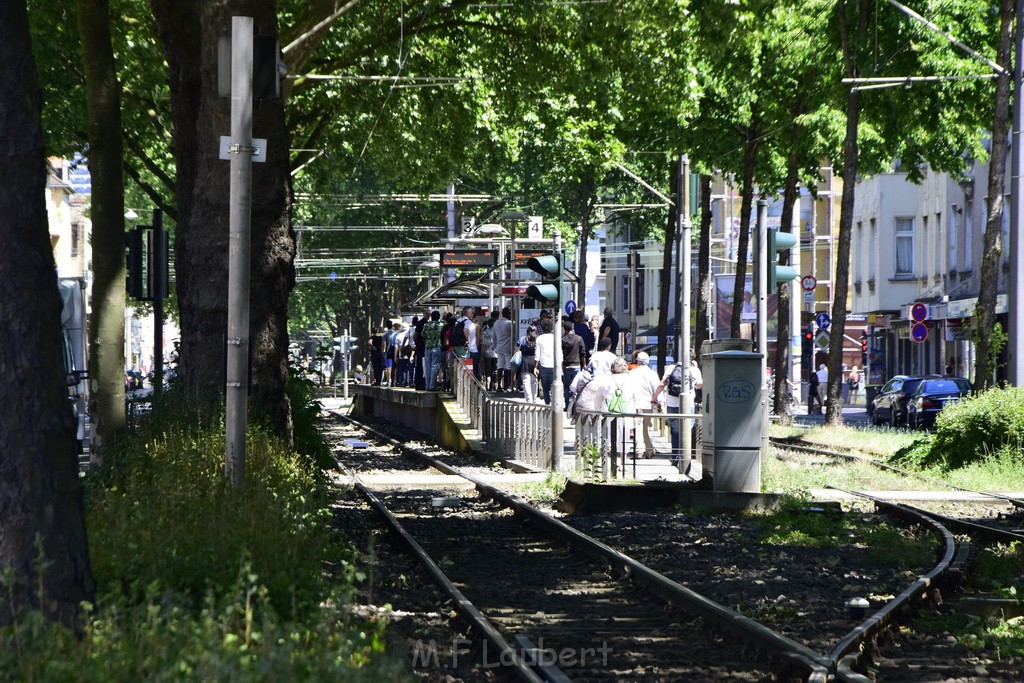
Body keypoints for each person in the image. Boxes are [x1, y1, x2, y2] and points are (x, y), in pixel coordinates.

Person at [651, 356, 703, 474]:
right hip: (688, 404)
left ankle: (675, 457)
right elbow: (700, 384)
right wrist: (694, 383)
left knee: (674, 431)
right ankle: (685, 457)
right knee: (687, 431)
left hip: (672, 403)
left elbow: (662, 383)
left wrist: (655, 397)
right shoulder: (694, 369)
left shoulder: (671, 367)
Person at [592, 358, 638, 459]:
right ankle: (623, 460)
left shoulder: (606, 379)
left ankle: (610, 460)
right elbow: (636, 397)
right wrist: (638, 412)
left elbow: (598, 397)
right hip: (627, 412)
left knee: (609, 435)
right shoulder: (631, 379)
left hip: (608, 412)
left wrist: (597, 409)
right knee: (624, 436)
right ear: (625, 367)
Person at [630, 352, 661, 458]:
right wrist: (660, 403)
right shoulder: (653, 374)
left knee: (637, 427)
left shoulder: (632, 373)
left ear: (637, 361)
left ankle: (639, 451)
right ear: (648, 362)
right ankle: (649, 450)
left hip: (635, 404)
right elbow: (657, 389)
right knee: (648, 427)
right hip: (649, 403)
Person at [561, 319, 585, 408]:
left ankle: (567, 405)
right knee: (576, 386)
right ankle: (575, 406)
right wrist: (584, 365)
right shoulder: (579, 339)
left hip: (566, 365)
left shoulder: (562, 340)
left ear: (564, 329)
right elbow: (583, 353)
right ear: (572, 328)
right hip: (576, 365)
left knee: (566, 387)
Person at [492, 307, 514, 392]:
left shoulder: (496, 323)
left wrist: (494, 346)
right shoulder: (509, 323)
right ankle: (508, 386)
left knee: (500, 365)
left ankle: (499, 387)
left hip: (499, 347)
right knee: (508, 366)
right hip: (508, 347)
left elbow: (494, 336)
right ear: (509, 314)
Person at [422, 310, 445, 391]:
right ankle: (432, 385)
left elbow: (423, 335)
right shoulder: (441, 325)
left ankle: (427, 385)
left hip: (428, 347)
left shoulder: (426, 325)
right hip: (437, 347)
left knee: (427, 366)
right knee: (434, 366)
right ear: (438, 317)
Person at [535, 319, 556, 404]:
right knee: (553, 386)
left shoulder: (539, 338)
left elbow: (537, 354)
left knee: (545, 386)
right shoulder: (555, 337)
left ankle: (547, 403)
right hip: (554, 364)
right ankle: (554, 403)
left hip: (543, 364)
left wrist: (535, 367)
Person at [480, 310, 499, 389]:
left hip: (487, 353)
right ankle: (494, 384)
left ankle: (488, 385)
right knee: (495, 369)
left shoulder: (485, 332)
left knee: (488, 370)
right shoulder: (498, 332)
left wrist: (482, 354)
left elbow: (483, 344)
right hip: (496, 354)